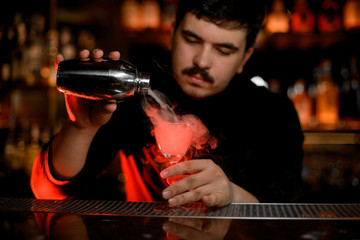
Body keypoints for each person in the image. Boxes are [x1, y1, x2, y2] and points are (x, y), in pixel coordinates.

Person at [31, 0, 304, 207]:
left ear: (245, 57)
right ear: (172, 33)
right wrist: (80, 128)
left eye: (223, 50)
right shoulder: (133, 96)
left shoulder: (274, 113)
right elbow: (45, 194)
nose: (202, 61)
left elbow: (287, 216)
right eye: (192, 39)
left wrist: (231, 194)